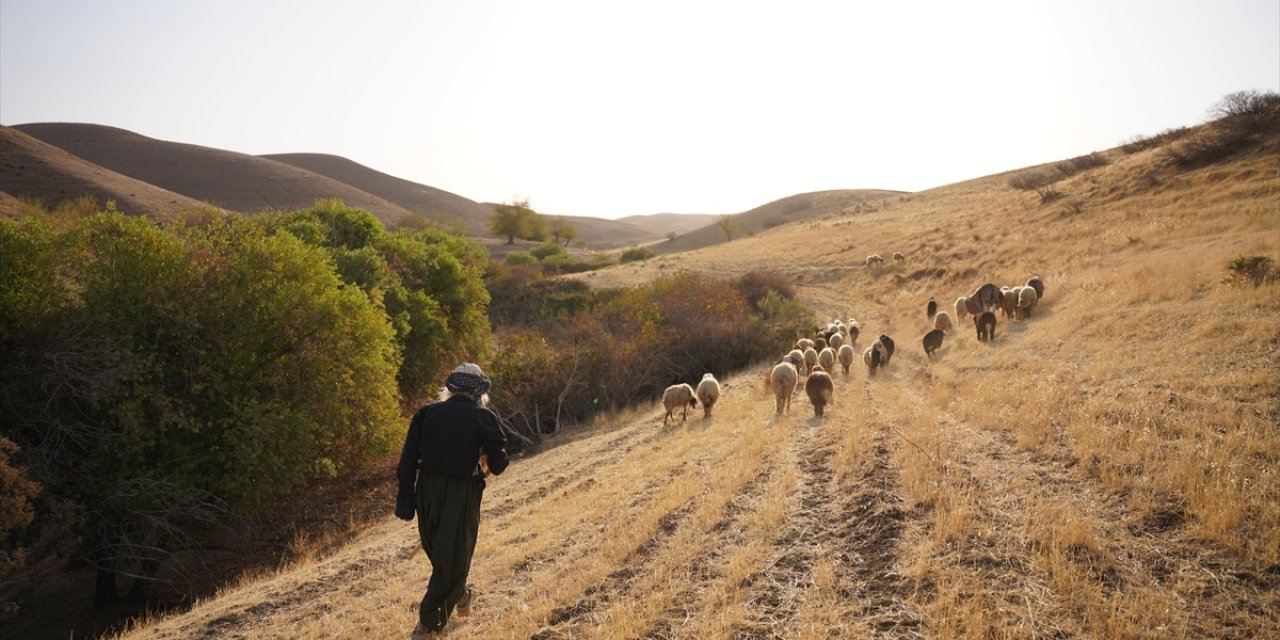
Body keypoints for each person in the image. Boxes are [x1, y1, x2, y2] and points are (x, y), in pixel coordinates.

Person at [396, 363, 510, 639]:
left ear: (450, 388)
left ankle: (432, 622)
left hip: (427, 491)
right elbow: (499, 463)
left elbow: (408, 461)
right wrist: (489, 454)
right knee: (449, 560)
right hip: (461, 493)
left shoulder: (426, 414)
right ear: (480, 392)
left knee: (444, 557)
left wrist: (406, 500)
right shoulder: (483, 417)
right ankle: (448, 608)